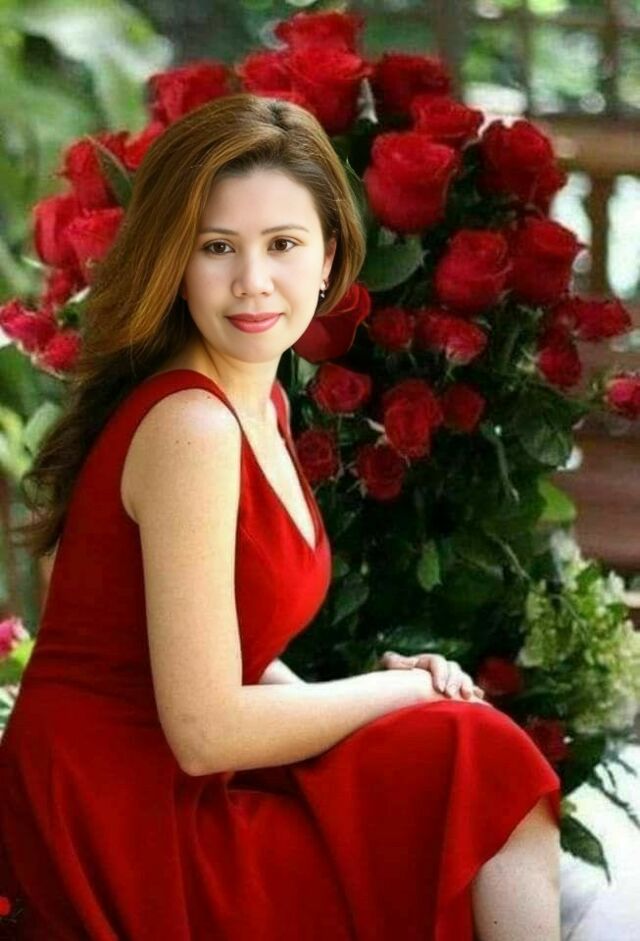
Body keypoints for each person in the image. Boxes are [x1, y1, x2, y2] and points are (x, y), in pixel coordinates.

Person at [0, 93, 561, 940]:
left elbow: (225, 657)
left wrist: (398, 701)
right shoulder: (192, 425)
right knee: (482, 762)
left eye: (283, 244)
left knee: (465, 746)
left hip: (174, 785)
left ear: (329, 258)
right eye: (217, 247)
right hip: (117, 820)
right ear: (173, 261)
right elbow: (204, 731)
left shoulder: (258, 402)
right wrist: (400, 687)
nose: (253, 281)